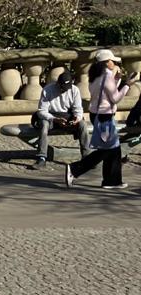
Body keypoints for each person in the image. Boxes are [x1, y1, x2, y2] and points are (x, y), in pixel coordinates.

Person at [66, 49, 137, 190]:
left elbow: (105, 93)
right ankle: (75, 169)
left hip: (97, 114)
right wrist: (128, 84)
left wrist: (117, 80)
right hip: (104, 116)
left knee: (114, 149)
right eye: (112, 60)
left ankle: (112, 181)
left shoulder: (96, 76)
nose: (114, 63)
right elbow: (115, 98)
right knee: (108, 150)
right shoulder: (106, 77)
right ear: (106, 62)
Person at [29, 71, 85, 170]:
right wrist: (54, 119)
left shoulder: (74, 90)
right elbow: (41, 111)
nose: (65, 90)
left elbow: (78, 109)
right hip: (51, 116)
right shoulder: (47, 90)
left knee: (82, 125)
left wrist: (77, 118)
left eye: (67, 88)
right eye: (63, 87)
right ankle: (41, 158)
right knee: (44, 125)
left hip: (67, 116)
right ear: (58, 84)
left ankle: (87, 157)